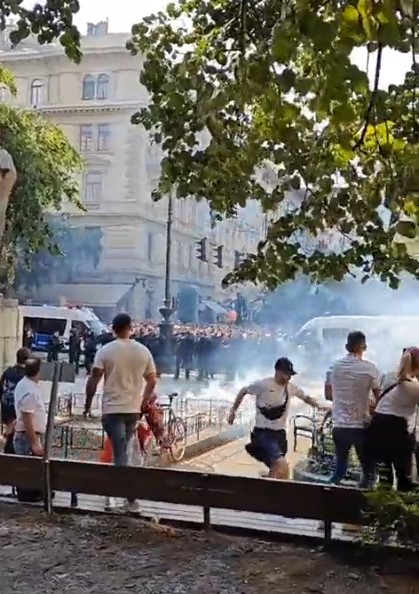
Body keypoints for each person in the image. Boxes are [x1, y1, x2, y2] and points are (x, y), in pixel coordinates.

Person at [84, 313, 157, 512]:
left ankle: (126, 498)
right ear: (130, 328)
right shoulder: (143, 351)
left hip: (112, 409)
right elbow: (152, 379)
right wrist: (144, 400)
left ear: (113, 329)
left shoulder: (106, 351)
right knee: (123, 450)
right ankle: (123, 497)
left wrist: (88, 405)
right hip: (133, 410)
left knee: (120, 453)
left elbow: (94, 379)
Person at [228, 357, 327, 479]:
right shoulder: (263, 384)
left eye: (290, 374)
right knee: (282, 466)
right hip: (263, 433)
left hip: (280, 434)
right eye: (286, 374)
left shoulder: (290, 388)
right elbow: (244, 391)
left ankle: (269, 489)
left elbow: (305, 397)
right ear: (277, 371)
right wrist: (233, 411)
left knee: (279, 471)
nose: (288, 377)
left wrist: (319, 406)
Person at [366, 347, 419, 491]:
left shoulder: (393, 378)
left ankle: (380, 506)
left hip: (379, 425)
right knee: (403, 477)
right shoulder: (413, 386)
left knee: (384, 474)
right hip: (395, 427)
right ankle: (401, 509)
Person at [13, 357, 46, 502]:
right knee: (28, 469)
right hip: (28, 435)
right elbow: (27, 417)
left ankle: (31, 492)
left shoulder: (25, 384)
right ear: (38, 371)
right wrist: (34, 442)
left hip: (27, 434)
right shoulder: (30, 391)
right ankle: (28, 495)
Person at [0, 347, 30, 455]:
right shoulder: (25, 376)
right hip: (16, 408)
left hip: (6, 405)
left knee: (10, 430)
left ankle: (7, 451)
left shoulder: (7, 372)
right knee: (16, 433)